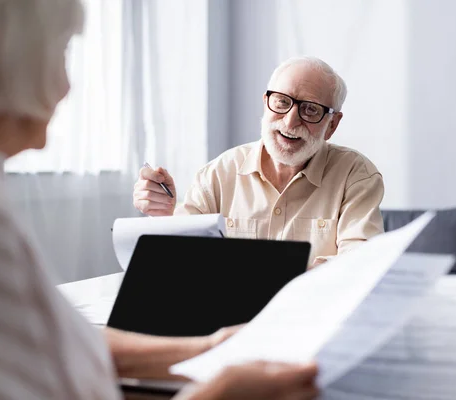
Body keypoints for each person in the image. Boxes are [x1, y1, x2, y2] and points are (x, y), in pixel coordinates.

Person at [0, 1, 318, 399]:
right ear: (6, 58)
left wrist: (209, 349)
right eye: (62, 51)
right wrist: (221, 393)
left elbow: (54, 342)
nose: (67, 85)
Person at [133, 56, 384, 267]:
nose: (290, 121)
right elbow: (181, 260)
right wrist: (163, 215)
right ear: (266, 104)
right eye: (282, 102)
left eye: (310, 110)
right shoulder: (219, 174)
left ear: (332, 124)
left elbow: (359, 268)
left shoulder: (356, 176)